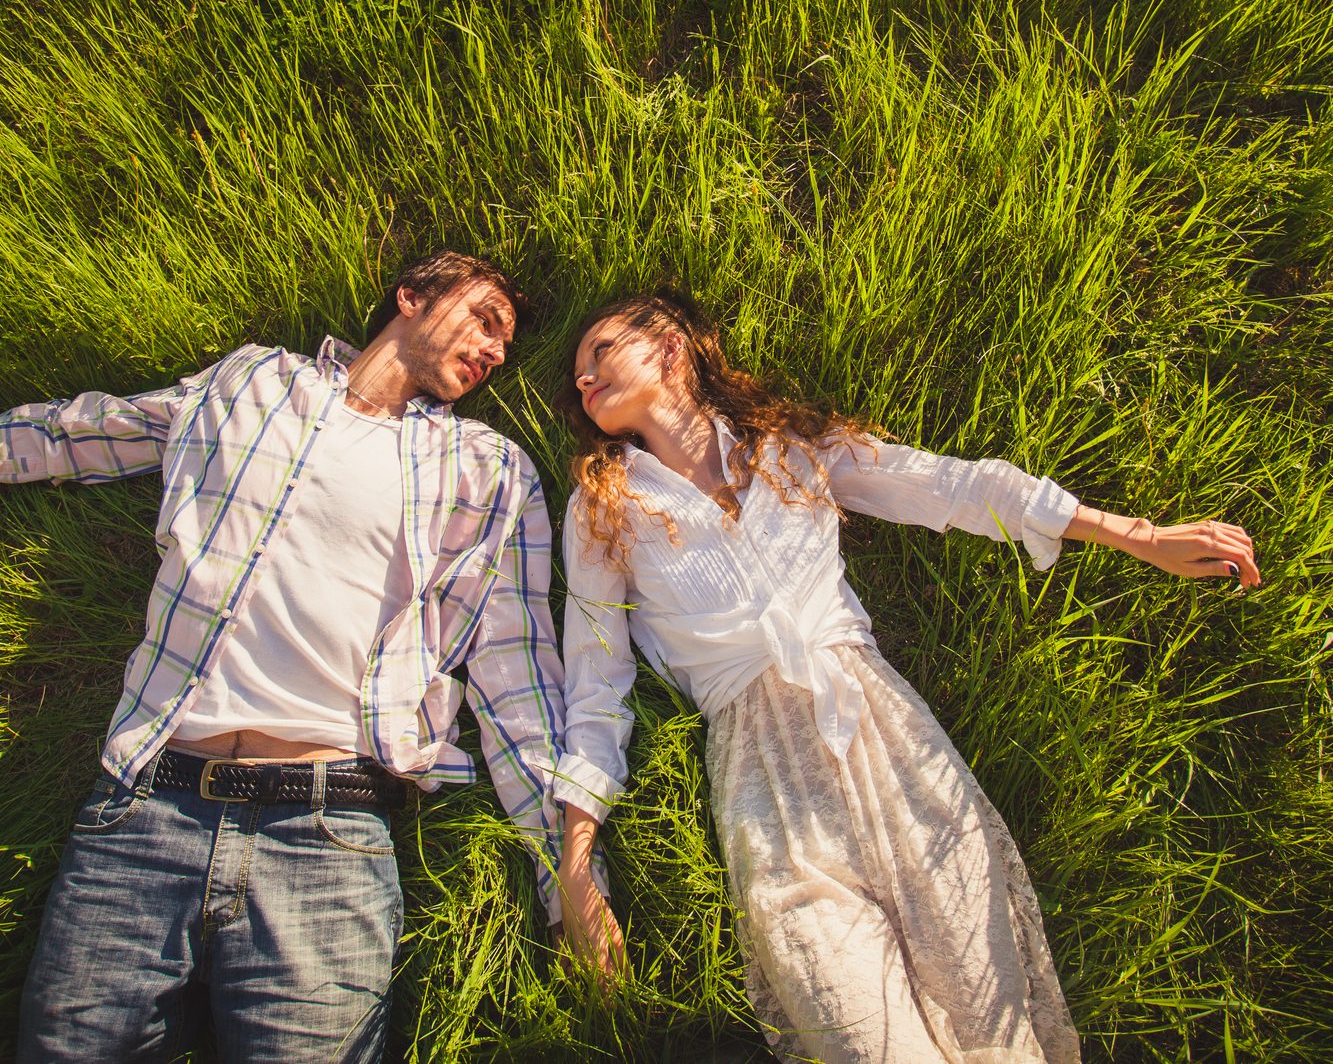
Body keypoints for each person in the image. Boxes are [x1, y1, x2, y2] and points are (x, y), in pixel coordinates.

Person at [551, 291, 1259, 1064]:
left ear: (670, 347)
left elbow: (950, 486)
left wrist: (1140, 535)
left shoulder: (788, 446)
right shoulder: (603, 505)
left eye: (601, 351)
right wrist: (576, 865)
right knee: (863, 1039)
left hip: (889, 740)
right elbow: (595, 680)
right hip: (766, 785)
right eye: (579, 372)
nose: (584, 379)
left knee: (993, 1026)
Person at [5, 250, 566, 1063]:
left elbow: (519, 675)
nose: (497, 351)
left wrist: (566, 874)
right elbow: (92, 430)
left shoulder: (487, 469)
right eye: (485, 318)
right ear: (411, 296)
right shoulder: (254, 383)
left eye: (507, 343)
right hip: (145, 810)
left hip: (329, 831)